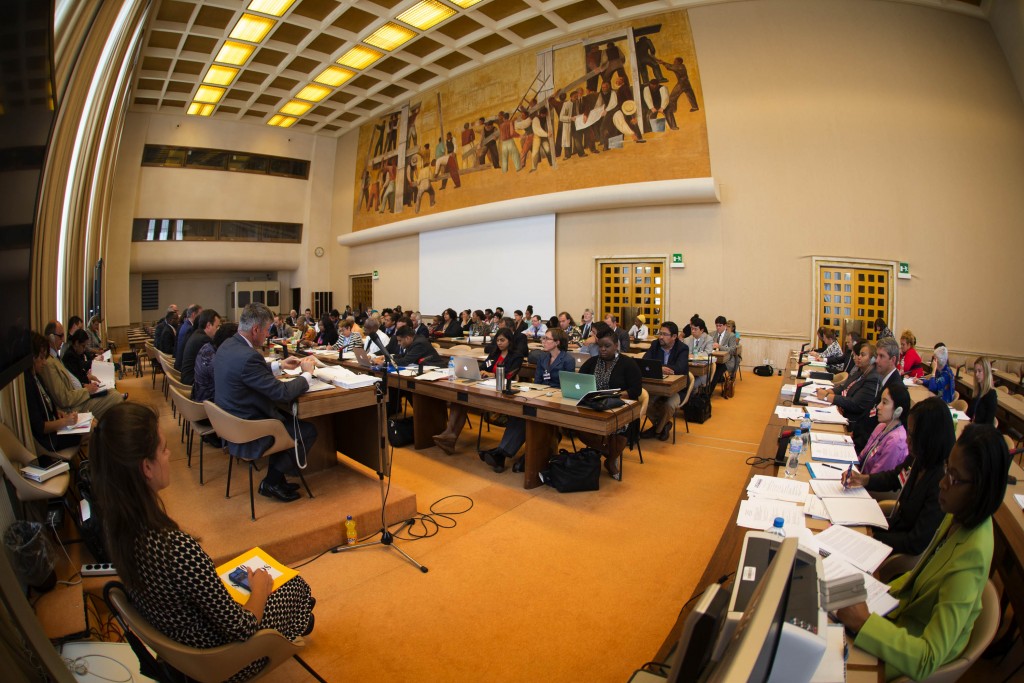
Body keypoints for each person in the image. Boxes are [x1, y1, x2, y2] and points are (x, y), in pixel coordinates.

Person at [91, 403, 314, 682]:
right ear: (146, 467)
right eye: (163, 449)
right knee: (294, 586)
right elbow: (243, 628)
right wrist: (259, 589)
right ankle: (297, 621)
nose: (168, 453)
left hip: (182, 648)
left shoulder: (116, 529)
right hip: (219, 660)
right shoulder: (175, 548)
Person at [837, 424, 1009, 681]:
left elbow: (928, 656)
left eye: (953, 477)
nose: (942, 483)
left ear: (980, 488)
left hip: (904, 648)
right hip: (896, 613)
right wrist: (878, 591)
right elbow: (920, 576)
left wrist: (864, 622)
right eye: (946, 469)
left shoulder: (972, 557)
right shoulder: (959, 515)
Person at [214, 304, 318, 503]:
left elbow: (245, 373)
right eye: (267, 330)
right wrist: (307, 374)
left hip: (231, 422)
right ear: (255, 330)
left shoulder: (228, 345)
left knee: (290, 421)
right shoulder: (248, 356)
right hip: (249, 427)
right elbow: (282, 393)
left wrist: (278, 365)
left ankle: (277, 479)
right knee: (306, 430)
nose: (267, 335)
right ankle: (271, 482)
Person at [843, 396, 954, 556]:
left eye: (913, 435)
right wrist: (863, 479)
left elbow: (915, 542)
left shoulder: (940, 483)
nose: (907, 440)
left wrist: (872, 538)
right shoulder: (919, 458)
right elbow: (895, 477)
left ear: (929, 439)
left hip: (898, 550)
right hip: (892, 529)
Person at [480, 328, 574, 473]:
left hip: (557, 400)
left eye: (547, 339)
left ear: (557, 342)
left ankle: (501, 453)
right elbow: (537, 381)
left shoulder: (568, 360)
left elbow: (567, 386)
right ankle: (502, 454)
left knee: (528, 417)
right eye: (543, 338)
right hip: (540, 396)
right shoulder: (543, 358)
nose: (543, 341)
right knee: (520, 414)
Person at [433, 329, 524, 455]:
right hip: (485, 386)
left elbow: (509, 374)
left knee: (462, 401)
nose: (499, 343)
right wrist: (480, 371)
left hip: (502, 390)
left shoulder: (516, 356)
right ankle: (449, 436)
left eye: (502, 340)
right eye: (497, 340)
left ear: (510, 341)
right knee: (459, 400)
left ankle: (449, 437)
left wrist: (492, 374)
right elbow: (482, 367)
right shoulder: (494, 354)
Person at [577, 328, 642, 481]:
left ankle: (610, 461)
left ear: (616, 346)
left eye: (607, 346)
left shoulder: (628, 363)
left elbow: (636, 390)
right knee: (577, 424)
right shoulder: (592, 362)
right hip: (594, 406)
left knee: (622, 426)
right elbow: (580, 381)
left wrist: (613, 395)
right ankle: (608, 452)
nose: (603, 349)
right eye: (600, 346)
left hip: (619, 406)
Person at [39, 321, 123, 419]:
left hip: (78, 396)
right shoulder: (49, 363)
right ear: (51, 337)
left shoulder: (55, 358)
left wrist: (84, 387)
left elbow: (71, 382)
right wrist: (86, 391)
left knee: (112, 392)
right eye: (61, 336)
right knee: (116, 397)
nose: (63, 339)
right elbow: (63, 399)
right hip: (73, 407)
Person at [26, 333, 83, 454]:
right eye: (41, 358)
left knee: (93, 424)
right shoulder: (28, 384)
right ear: (31, 358)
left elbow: (47, 405)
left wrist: (58, 413)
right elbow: (40, 427)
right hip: (50, 439)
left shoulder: (37, 378)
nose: (44, 362)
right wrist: (64, 422)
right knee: (93, 429)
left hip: (56, 428)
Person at [815, 342, 880, 442]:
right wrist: (827, 391)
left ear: (872, 359)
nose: (858, 357)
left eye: (863, 355)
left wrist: (828, 396)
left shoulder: (873, 378)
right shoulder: (860, 373)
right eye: (859, 354)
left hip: (851, 422)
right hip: (841, 411)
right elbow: (843, 388)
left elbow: (855, 404)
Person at [640, 322, 689, 441]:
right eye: (660, 333)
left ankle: (657, 430)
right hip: (657, 387)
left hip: (678, 388)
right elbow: (645, 362)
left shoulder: (682, 348)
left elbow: (680, 368)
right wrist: (660, 367)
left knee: (669, 405)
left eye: (665, 334)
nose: (661, 337)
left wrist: (658, 367)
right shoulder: (655, 344)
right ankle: (664, 425)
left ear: (674, 337)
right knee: (646, 402)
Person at [858, 387, 908, 475]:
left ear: (898, 411)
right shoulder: (881, 426)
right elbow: (862, 456)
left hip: (868, 485)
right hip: (860, 477)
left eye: (884, 402)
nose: (878, 406)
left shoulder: (896, 441)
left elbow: (876, 480)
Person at [191, 323, 236, 403]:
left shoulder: (208, 347)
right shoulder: (212, 357)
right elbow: (227, 384)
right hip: (208, 403)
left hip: (201, 394)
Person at [709, 315, 738, 397]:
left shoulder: (731, 335)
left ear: (725, 326)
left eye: (720, 326)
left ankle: (708, 393)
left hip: (726, 361)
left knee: (717, 370)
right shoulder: (711, 334)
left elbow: (732, 350)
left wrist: (719, 346)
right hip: (713, 359)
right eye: (716, 325)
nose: (718, 328)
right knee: (707, 369)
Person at [967, 356, 997, 426]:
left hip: (981, 433)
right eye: (975, 371)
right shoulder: (977, 392)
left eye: (979, 371)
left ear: (986, 372)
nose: (976, 374)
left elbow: (988, 424)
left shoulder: (991, 395)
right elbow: (969, 415)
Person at [174, 304, 202, 369]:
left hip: (180, 363)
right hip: (183, 367)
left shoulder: (185, 325)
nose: (202, 316)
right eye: (200, 314)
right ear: (193, 314)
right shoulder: (189, 329)